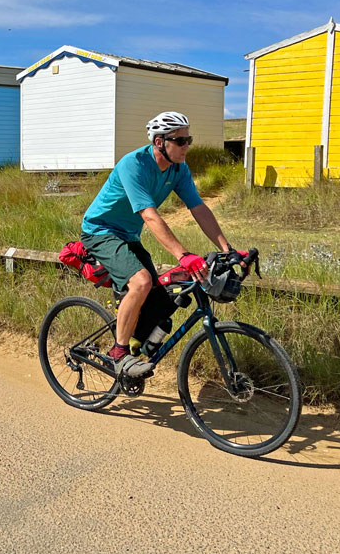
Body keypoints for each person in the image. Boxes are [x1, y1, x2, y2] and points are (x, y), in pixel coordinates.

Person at [80, 111, 244, 378]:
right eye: (181, 141)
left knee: (160, 297)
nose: (187, 146)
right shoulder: (133, 164)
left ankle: (134, 346)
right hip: (100, 230)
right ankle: (118, 354)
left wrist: (228, 250)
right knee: (141, 282)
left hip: (129, 235)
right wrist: (183, 255)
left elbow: (198, 208)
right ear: (159, 142)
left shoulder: (179, 169)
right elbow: (149, 215)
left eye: (189, 139)